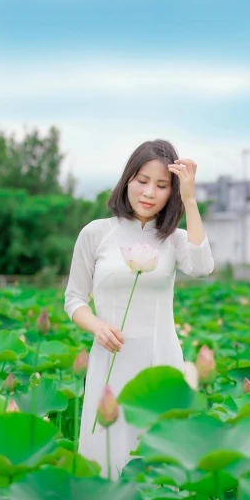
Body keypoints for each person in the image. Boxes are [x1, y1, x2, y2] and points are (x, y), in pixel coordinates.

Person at [63, 139, 215, 479]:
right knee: (105, 455)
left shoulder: (173, 239)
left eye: (162, 186)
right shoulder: (96, 233)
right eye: (142, 180)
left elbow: (203, 266)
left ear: (171, 193)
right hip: (110, 359)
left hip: (160, 359)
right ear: (127, 179)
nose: (149, 192)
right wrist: (97, 326)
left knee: (158, 461)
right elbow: (74, 298)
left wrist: (190, 199)